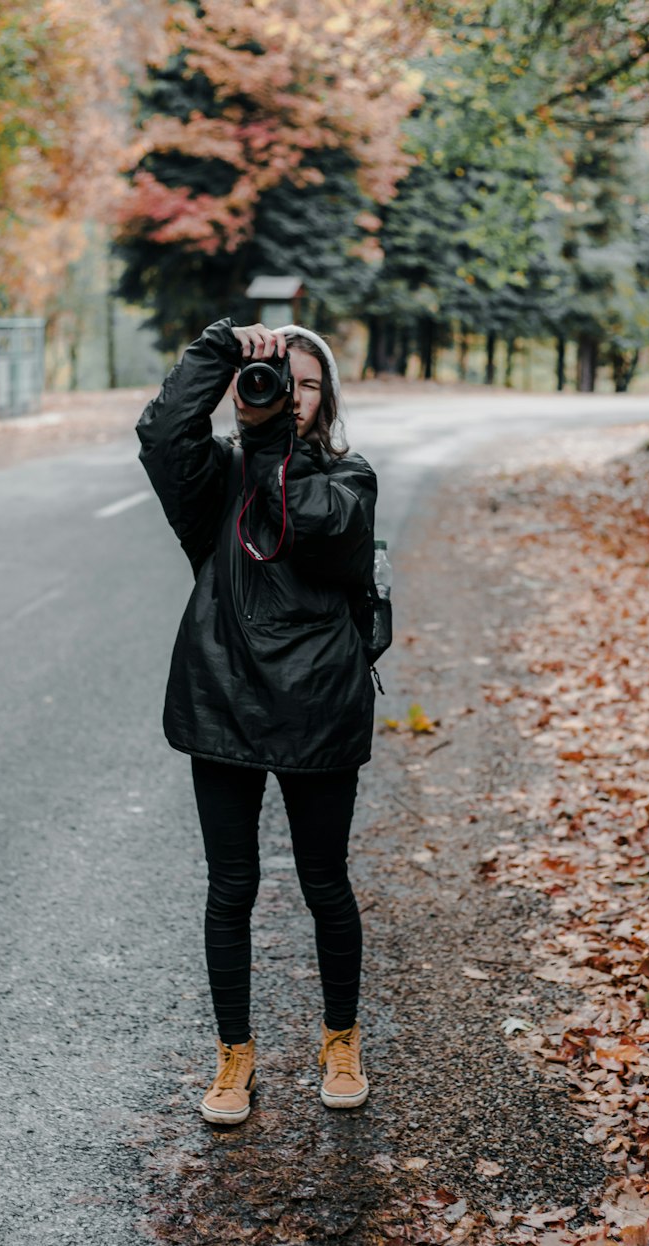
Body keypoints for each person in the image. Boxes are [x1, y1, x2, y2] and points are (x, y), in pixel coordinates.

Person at [136, 318, 379, 1125]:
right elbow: (163, 436)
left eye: (307, 384)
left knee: (323, 885)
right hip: (225, 702)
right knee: (231, 888)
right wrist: (219, 352)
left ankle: (339, 1039)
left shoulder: (352, 481)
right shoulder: (218, 481)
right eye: (279, 381)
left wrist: (269, 439)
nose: (291, 396)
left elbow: (299, 521)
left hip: (318, 713)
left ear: (326, 399)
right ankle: (234, 1055)